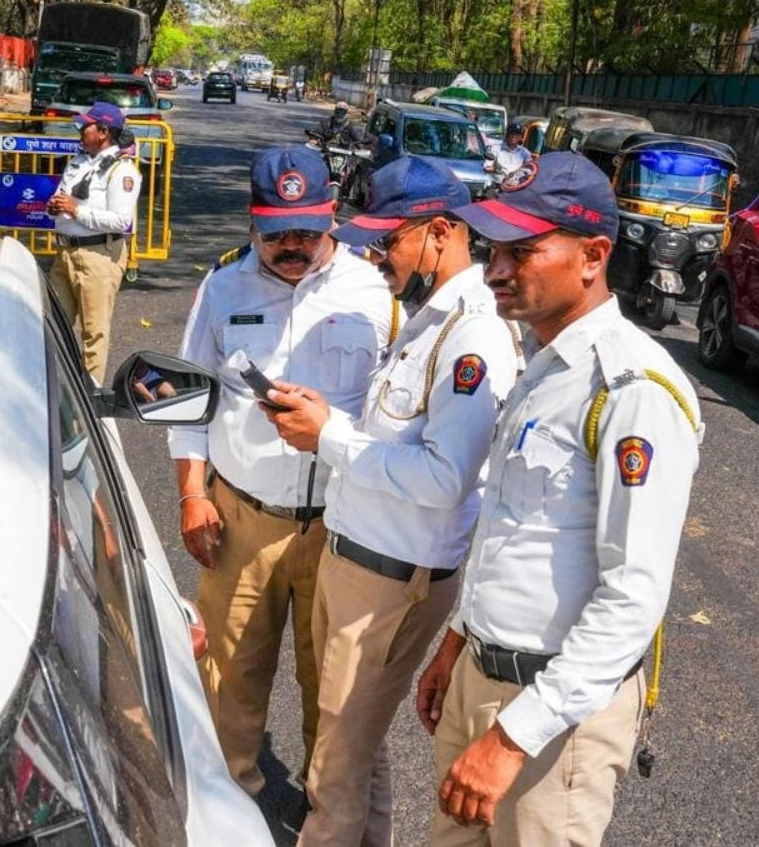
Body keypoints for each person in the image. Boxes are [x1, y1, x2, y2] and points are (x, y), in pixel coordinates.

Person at [415, 152, 702, 846]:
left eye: (524, 251)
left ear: (593, 256)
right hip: (482, 680)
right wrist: (458, 642)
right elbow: (513, 529)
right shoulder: (546, 361)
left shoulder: (631, 391)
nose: (495, 269)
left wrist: (511, 739)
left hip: (554, 721)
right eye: (493, 249)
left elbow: (632, 599)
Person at [261, 156, 522, 847]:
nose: (378, 256)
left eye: (390, 241)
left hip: (391, 580)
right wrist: (331, 424)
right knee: (358, 749)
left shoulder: (474, 333)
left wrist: (332, 439)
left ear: (440, 232)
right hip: (360, 564)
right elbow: (392, 432)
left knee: (334, 772)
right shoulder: (428, 318)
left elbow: (446, 478)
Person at [170, 145, 397, 799]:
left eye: (308, 231)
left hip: (342, 528)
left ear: (333, 220)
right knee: (230, 676)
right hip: (241, 518)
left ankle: (324, 817)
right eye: (277, 234)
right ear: (252, 225)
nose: (292, 246)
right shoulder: (222, 286)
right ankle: (225, 809)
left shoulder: (375, 290)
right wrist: (191, 493)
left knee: (332, 689)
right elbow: (190, 399)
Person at [45, 100, 141, 382]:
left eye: (83, 126)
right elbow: (65, 197)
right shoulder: (79, 161)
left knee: (93, 333)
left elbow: (120, 221)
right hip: (66, 255)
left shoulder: (122, 171)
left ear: (102, 132)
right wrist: (57, 207)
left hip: (99, 256)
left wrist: (75, 210)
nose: (78, 130)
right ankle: (53, 384)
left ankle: (89, 400)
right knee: (50, 323)